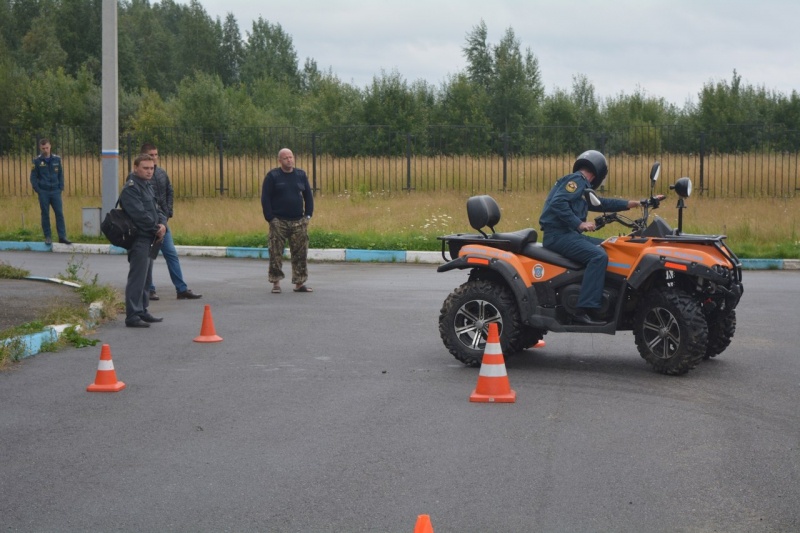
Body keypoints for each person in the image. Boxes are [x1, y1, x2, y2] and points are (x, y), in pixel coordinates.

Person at [539, 149, 663, 326]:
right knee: (598, 256)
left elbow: (601, 203)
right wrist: (579, 224)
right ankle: (584, 309)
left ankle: (605, 298)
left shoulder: (583, 188)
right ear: (599, 172)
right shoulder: (577, 180)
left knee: (609, 247)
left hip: (568, 235)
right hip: (559, 236)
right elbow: (558, 202)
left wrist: (633, 203)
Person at [140, 143, 202, 301]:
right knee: (149, 257)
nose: (154, 159)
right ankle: (150, 289)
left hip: (163, 223)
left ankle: (181, 289)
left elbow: (169, 191)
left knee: (171, 254)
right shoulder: (138, 179)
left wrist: (167, 213)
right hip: (147, 225)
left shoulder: (160, 173)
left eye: (156, 155)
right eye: (151, 155)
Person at [118, 154, 167, 328]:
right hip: (139, 238)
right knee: (137, 278)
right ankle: (132, 314)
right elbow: (139, 214)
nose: (149, 171)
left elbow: (158, 208)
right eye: (145, 168)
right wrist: (156, 228)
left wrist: (162, 224)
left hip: (151, 238)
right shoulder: (131, 189)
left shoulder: (147, 186)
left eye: (152, 168)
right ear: (135, 168)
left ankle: (142, 310)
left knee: (146, 278)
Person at [261, 148, 314, 294]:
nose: (289, 160)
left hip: (298, 221)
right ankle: (276, 283)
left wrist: (308, 215)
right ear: (280, 160)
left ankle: (299, 283)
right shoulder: (273, 176)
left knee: (300, 253)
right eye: (286, 158)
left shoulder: (300, 175)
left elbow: (308, 196)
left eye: (291, 157)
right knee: (275, 252)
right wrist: (270, 218)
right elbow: (265, 198)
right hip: (279, 221)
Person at [30, 138, 71, 245]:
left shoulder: (57, 159)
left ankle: (62, 236)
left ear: (50, 146)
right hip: (43, 191)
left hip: (56, 191)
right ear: (40, 148)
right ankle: (48, 236)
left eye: (47, 147)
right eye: (43, 148)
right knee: (45, 214)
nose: (45, 150)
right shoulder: (37, 161)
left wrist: (61, 187)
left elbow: (60, 174)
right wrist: (38, 189)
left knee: (59, 213)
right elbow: (33, 177)